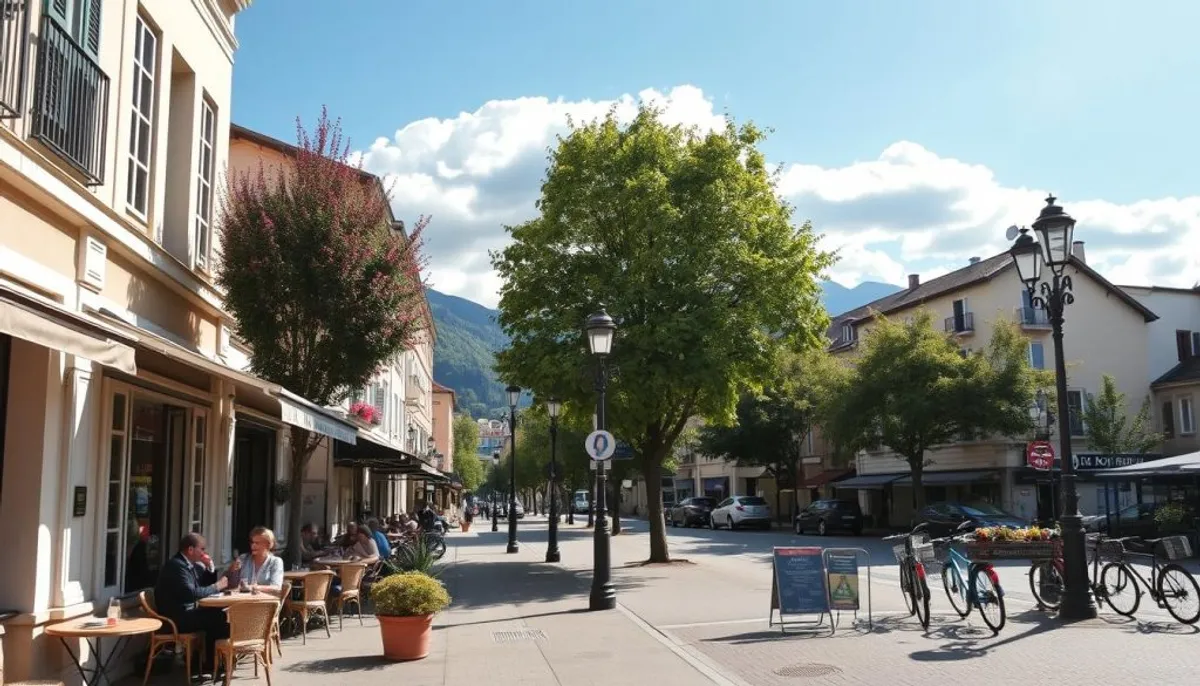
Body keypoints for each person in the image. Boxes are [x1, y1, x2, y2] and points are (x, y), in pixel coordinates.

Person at [154, 533, 229, 674]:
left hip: (185, 613)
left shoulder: (189, 565)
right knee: (218, 617)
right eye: (202, 549)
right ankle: (210, 663)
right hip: (175, 618)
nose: (204, 553)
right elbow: (191, 594)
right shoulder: (176, 566)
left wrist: (210, 567)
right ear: (190, 549)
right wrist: (217, 586)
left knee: (219, 613)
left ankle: (206, 661)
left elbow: (202, 587)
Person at [227, 527, 285, 597]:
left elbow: (277, 587)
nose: (253, 545)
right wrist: (232, 570)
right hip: (242, 600)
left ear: (268, 545)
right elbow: (232, 585)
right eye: (252, 542)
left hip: (265, 601)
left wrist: (254, 587)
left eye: (257, 543)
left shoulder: (275, 562)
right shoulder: (243, 558)